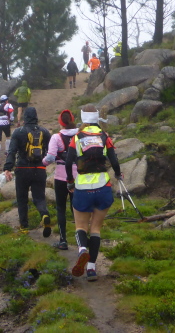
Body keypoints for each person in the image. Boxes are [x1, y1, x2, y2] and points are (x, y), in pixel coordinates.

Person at [65, 104, 122, 282]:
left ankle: (82, 249)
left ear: (82, 117)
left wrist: (70, 181)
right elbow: (114, 161)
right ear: (97, 116)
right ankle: (91, 268)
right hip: (102, 186)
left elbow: (68, 162)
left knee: (81, 226)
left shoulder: (77, 137)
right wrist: (118, 174)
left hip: (82, 187)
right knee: (96, 229)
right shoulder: (105, 136)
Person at [4, 107, 52, 236]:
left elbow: (12, 151)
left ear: (25, 117)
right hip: (40, 169)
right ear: (36, 117)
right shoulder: (45, 132)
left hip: (22, 169)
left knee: (22, 199)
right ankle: (44, 214)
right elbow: (50, 151)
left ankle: (24, 227)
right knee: (39, 197)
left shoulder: (18, 132)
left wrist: (8, 168)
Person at [43, 110, 79, 250]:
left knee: (61, 208)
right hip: (78, 176)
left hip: (61, 176)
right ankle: (81, 241)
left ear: (61, 123)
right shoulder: (79, 135)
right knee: (77, 208)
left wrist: (43, 162)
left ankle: (63, 241)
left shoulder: (56, 137)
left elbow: (51, 157)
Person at [0, 95, 14, 166]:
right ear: (6, 100)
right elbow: (11, 111)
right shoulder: (8, 105)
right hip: (5, 122)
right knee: (8, 137)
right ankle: (7, 152)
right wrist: (11, 119)